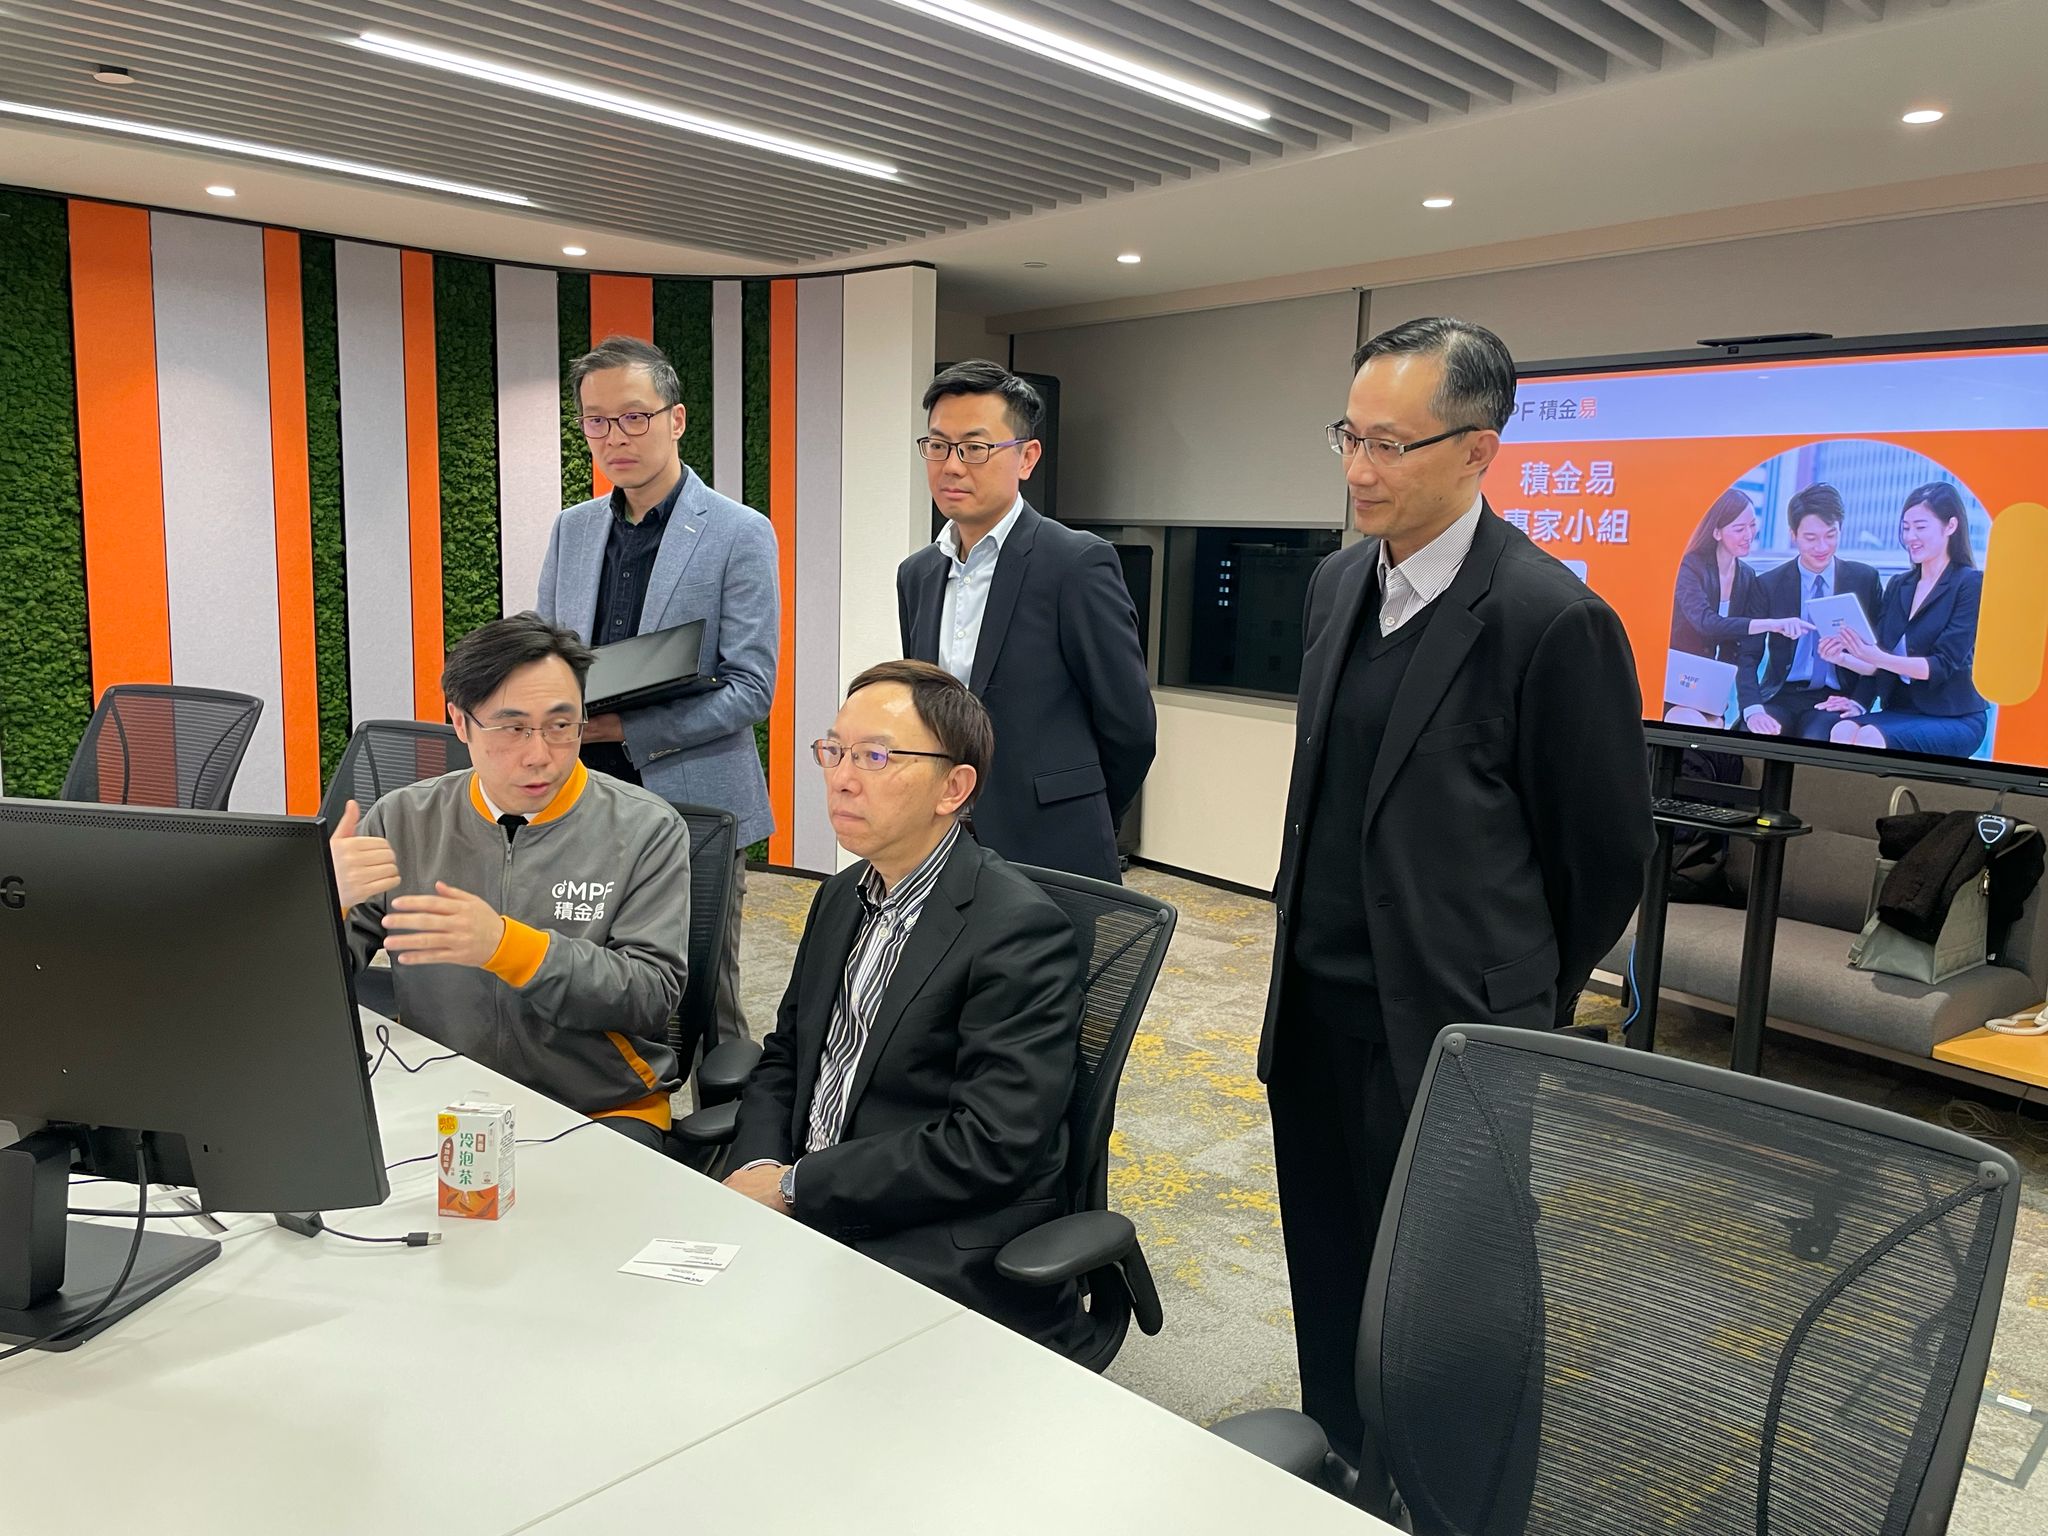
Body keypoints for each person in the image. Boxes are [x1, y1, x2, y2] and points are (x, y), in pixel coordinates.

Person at [1263, 316, 1653, 1464]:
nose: (1357, 469)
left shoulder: (1549, 618)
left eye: (1389, 445)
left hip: (1450, 1029)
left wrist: (1511, 994)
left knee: (1453, 1300)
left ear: (1478, 449)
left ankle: (1457, 1496)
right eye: (1347, 437)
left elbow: (1600, 857)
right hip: (1315, 1009)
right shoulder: (1337, 584)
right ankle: (1341, 1462)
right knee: (1326, 1260)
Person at [724, 660, 1087, 1351]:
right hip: (806, 1199)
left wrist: (798, 1187)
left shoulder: (1017, 929)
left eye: (876, 757)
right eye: (835, 751)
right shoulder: (843, 894)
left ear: (954, 787)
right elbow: (788, 1055)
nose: (842, 778)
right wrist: (756, 1167)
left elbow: (988, 1145)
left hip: (925, 1236)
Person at [333, 614, 691, 1150]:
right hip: (443, 1096)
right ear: (461, 722)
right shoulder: (402, 819)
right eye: (512, 728)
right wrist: (324, 905)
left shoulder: (645, 828)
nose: (539, 755)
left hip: (597, 1106)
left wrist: (508, 948)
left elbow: (650, 995)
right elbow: (310, 987)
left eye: (561, 725)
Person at [537, 334, 775, 1045]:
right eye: (597, 420)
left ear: (675, 419)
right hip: (582, 795)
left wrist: (625, 731)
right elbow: (548, 659)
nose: (615, 437)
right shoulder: (573, 530)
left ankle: (724, 1113)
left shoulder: (738, 532)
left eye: (634, 416)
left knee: (703, 999)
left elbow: (750, 688)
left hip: (692, 798)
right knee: (583, 978)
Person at [896, 360, 1154, 883]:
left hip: (1052, 846)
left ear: (1027, 457)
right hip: (939, 843)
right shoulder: (917, 575)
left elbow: (1129, 727)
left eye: (975, 448)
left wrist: (1084, 814)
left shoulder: (1075, 564)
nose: (951, 466)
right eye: (938, 445)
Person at [1822, 482, 1990, 758]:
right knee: (1842, 730)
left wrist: (1876, 656)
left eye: (1920, 527)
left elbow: (1941, 666)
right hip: (1902, 709)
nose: (1911, 536)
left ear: (1950, 526)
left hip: (1954, 716)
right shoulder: (1899, 584)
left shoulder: (1970, 583)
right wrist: (1843, 661)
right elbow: (1880, 658)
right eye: (1906, 528)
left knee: (1869, 737)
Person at [1739, 482, 1884, 741]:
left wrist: (1860, 702)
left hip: (1836, 696)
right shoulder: (1769, 584)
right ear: (1793, 534)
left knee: (1817, 737)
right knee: (1753, 734)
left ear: (1841, 529)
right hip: (1781, 693)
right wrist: (1753, 709)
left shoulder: (1865, 579)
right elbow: (1748, 655)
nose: (1822, 547)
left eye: (1830, 535)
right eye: (1811, 538)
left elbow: (1880, 652)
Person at [1665, 489, 1805, 728]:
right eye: (1739, 529)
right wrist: (1770, 624)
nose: (1748, 535)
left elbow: (1737, 646)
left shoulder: (1747, 576)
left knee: (1715, 727)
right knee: (1694, 725)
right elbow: (1706, 623)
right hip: (1676, 684)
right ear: (1717, 532)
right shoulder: (1690, 567)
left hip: (1709, 691)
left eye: (1752, 525)